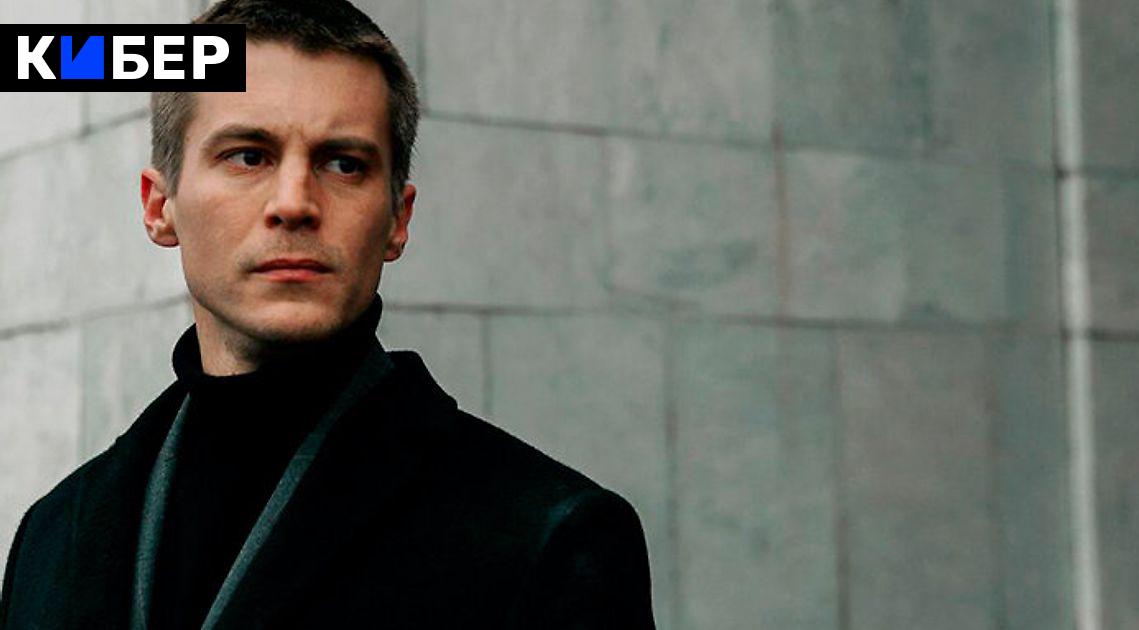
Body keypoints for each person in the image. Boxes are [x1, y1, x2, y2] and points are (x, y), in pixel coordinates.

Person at [0, 1, 655, 627]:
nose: (294, 202)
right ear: (158, 206)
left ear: (397, 219)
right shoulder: (51, 537)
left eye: (344, 164)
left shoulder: (549, 538)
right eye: (248, 155)